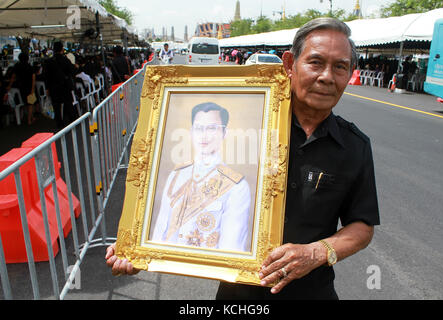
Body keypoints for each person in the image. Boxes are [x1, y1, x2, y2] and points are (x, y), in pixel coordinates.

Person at [106, 18, 380, 300]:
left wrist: (317, 252)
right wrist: (139, 250)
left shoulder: (353, 146)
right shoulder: (255, 130)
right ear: (289, 64)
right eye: (315, 62)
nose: (326, 76)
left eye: (340, 66)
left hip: (312, 291)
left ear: (350, 74)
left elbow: (362, 226)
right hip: (239, 293)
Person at [151, 102, 251, 251]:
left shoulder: (237, 187)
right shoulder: (176, 174)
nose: (204, 135)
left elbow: (231, 250)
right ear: (191, 132)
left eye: (212, 128)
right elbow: (160, 232)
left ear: (224, 133)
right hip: (167, 268)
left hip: (206, 271)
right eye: (198, 128)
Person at [43, 41, 77, 129]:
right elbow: (72, 72)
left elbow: (46, 76)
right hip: (65, 86)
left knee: (56, 106)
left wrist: (47, 88)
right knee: (68, 104)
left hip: (53, 87)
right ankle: (72, 122)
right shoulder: (66, 60)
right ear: (62, 49)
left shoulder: (49, 61)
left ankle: (59, 124)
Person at [6, 52, 36, 125]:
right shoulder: (29, 66)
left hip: (20, 87)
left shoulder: (17, 66)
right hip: (29, 87)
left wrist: (9, 85)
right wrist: (33, 88)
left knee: (23, 103)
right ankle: (30, 120)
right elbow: (33, 78)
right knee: (30, 104)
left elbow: (13, 77)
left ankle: (25, 118)